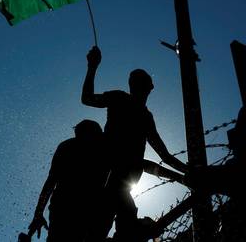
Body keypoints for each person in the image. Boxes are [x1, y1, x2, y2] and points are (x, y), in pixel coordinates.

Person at [81, 46, 187, 241]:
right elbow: (86, 99)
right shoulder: (119, 99)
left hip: (121, 183)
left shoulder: (146, 118)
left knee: (117, 227)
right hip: (108, 178)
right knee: (106, 226)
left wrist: (187, 173)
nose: (143, 89)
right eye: (140, 84)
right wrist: (92, 66)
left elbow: (163, 156)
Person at [26, 120, 109, 242]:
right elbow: (51, 181)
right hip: (67, 208)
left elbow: (50, 182)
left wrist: (38, 214)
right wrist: (38, 214)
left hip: (76, 208)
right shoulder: (69, 147)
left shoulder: (100, 147)